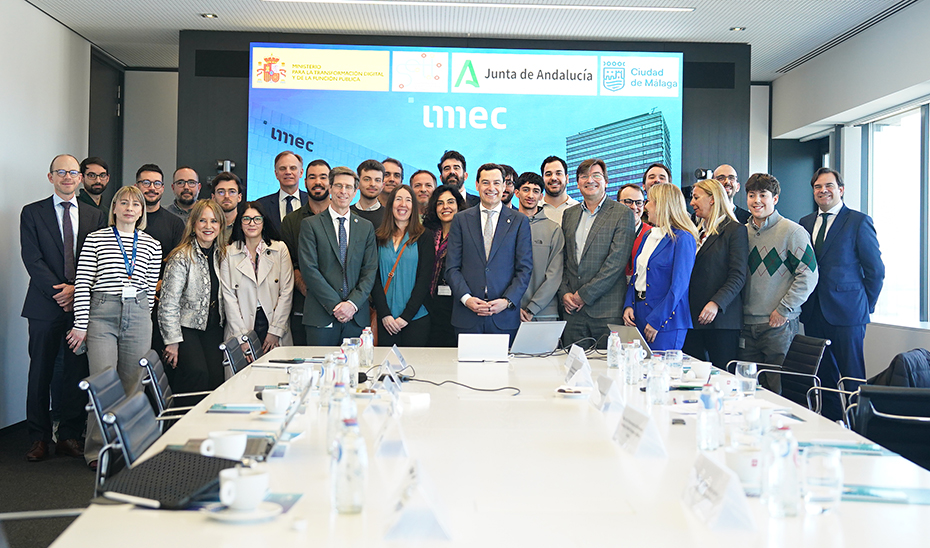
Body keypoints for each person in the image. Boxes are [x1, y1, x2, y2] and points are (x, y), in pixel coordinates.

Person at [67, 185, 161, 468]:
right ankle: (98, 450)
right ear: (115, 208)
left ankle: (128, 446)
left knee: (134, 384)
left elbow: (150, 286)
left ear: (142, 211)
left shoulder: (152, 244)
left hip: (139, 312)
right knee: (104, 382)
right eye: (124, 203)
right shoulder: (96, 239)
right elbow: (83, 284)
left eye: (136, 204)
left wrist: (143, 315)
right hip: (102, 313)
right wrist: (80, 325)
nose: (130, 208)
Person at [20, 154, 106, 461]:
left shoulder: (95, 215)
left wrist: (76, 289)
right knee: (40, 372)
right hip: (44, 304)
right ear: (50, 177)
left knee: (75, 372)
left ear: (80, 178)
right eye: (61, 172)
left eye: (73, 172)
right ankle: (39, 437)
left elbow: (97, 259)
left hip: (81, 303)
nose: (67, 177)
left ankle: (69, 435)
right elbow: (32, 258)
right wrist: (60, 291)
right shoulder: (32, 213)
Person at [800, 168, 884, 420]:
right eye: (817, 186)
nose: (823, 190)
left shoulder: (858, 221)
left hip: (849, 313)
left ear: (841, 189)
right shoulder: (804, 223)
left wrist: (864, 306)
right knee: (822, 375)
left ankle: (860, 426)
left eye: (829, 185)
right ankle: (833, 423)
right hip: (814, 312)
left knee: (852, 376)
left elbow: (876, 271)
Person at [445, 163, 533, 342]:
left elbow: (524, 269)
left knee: (503, 370)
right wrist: (466, 299)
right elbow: (452, 267)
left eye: (496, 183)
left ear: (503, 186)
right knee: (466, 370)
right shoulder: (461, 220)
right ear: (477, 185)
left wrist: (507, 301)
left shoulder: (519, 221)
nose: (491, 188)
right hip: (467, 315)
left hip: (504, 316)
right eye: (485, 183)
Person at [739, 173, 818, 368]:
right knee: (747, 385)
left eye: (763, 195)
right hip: (745, 325)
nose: (757, 200)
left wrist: (784, 309)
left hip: (779, 324)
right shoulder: (741, 232)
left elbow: (809, 275)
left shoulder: (793, 232)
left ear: (775, 199)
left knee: (778, 386)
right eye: (751, 195)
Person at [298, 166, 378, 345]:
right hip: (321, 315)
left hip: (356, 318)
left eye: (348, 187)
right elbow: (309, 269)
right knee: (320, 371)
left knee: (357, 371)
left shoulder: (366, 227)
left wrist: (352, 305)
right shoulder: (311, 225)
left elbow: (370, 270)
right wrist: (336, 306)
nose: (343, 191)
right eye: (338, 186)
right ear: (330, 189)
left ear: (355, 191)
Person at [560, 159, 635, 347]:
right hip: (572, 313)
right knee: (572, 372)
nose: (589, 180)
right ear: (577, 183)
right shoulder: (569, 214)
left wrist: (583, 296)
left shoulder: (622, 213)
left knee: (608, 371)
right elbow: (563, 260)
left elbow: (616, 263)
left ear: (606, 181)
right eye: (584, 176)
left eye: (596, 176)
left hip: (606, 311)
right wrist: (565, 293)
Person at [159, 200, 229, 392]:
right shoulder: (181, 256)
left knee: (216, 380)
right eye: (202, 221)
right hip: (186, 328)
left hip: (214, 327)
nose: (208, 226)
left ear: (220, 225)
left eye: (214, 221)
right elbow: (168, 303)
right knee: (198, 374)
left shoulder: (222, 254)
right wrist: (172, 342)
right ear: (193, 224)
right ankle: (184, 421)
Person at [623, 183, 698, 351]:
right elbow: (637, 274)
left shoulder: (683, 238)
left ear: (662, 204)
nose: (646, 206)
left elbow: (679, 287)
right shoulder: (649, 235)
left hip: (666, 322)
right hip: (639, 314)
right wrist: (628, 304)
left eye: (649, 201)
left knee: (661, 373)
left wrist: (657, 320)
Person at [683, 179, 748, 369]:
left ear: (712, 199)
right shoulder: (695, 231)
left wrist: (716, 303)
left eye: (696, 197)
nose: (692, 203)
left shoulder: (735, 230)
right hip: (693, 318)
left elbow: (738, 275)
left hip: (722, 322)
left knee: (723, 377)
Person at [220, 201, 294, 357]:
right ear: (239, 223)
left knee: (274, 376)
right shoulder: (228, 252)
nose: (251, 223)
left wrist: (276, 330)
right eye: (246, 219)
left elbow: (286, 292)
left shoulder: (279, 249)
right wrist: (241, 337)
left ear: (264, 222)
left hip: (273, 321)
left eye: (257, 219)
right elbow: (228, 297)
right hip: (241, 324)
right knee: (243, 377)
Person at [371, 185, 435, 346]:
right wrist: (385, 314)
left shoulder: (424, 236)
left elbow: (424, 280)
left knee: (414, 369)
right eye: (398, 199)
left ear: (413, 206)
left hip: (416, 318)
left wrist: (406, 317)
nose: (403, 204)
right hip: (385, 319)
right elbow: (373, 277)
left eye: (408, 200)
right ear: (390, 204)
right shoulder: (378, 237)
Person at [280, 159, 331, 346]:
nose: (318, 182)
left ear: (331, 182)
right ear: (305, 181)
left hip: (341, 309)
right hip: (304, 306)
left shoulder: (347, 219)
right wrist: (305, 287)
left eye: (323, 177)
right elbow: (289, 263)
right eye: (312, 177)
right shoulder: (291, 221)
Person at [515, 172, 564, 322]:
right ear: (516, 192)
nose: (530, 195)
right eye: (526, 189)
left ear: (541, 196)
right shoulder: (505, 227)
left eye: (536, 191)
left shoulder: (554, 229)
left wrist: (533, 308)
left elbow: (554, 275)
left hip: (544, 313)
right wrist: (510, 304)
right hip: (509, 311)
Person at [422, 184, 465, 347]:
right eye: (440, 203)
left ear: (458, 205)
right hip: (428, 303)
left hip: (455, 305)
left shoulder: (467, 233)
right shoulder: (426, 233)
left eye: (450, 202)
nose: (445, 207)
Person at [135, 163, 185, 276]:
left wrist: (162, 283)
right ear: (136, 186)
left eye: (157, 183)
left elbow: (178, 262)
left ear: (162, 188)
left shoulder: (175, 223)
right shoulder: (127, 220)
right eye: (146, 183)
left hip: (163, 287)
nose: (152, 188)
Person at [256, 151, 309, 235]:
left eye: (293, 168)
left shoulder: (312, 202)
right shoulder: (261, 205)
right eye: (282, 168)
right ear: (276, 174)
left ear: (301, 173)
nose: (288, 172)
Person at [617, 183, 652, 278]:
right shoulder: (607, 232)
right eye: (628, 201)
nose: (634, 207)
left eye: (639, 202)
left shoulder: (652, 234)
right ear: (617, 204)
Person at [540, 155, 578, 225]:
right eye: (548, 174)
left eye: (558, 173)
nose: (554, 178)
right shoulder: (534, 209)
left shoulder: (579, 209)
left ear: (567, 178)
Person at [350, 159, 386, 228]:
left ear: (382, 185)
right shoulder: (346, 213)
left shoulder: (390, 217)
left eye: (377, 180)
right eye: (367, 179)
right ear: (357, 183)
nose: (372, 184)